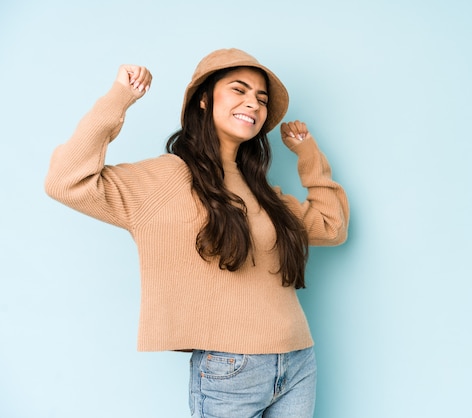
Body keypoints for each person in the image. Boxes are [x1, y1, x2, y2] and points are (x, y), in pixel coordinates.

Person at [44, 48, 349, 418]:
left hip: (298, 359)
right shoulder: (167, 177)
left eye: (261, 98)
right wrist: (118, 98)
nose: (252, 103)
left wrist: (308, 153)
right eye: (239, 90)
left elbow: (332, 227)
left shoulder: (262, 190)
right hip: (230, 368)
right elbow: (65, 181)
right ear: (204, 100)